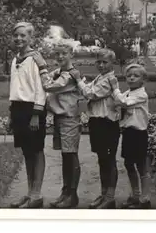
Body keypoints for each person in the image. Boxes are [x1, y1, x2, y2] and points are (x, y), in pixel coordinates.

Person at [70, 49, 120, 209]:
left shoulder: (109, 80)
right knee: (102, 159)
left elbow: (90, 94)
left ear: (113, 64)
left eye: (105, 62)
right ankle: (104, 193)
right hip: (98, 122)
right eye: (98, 61)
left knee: (109, 160)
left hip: (107, 123)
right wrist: (81, 85)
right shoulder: (101, 77)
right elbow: (87, 89)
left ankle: (110, 197)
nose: (101, 64)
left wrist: (78, 80)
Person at [36, 41, 83, 208]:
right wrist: (47, 74)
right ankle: (65, 193)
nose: (60, 57)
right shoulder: (60, 71)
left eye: (64, 53)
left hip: (69, 118)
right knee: (65, 156)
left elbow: (48, 85)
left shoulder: (69, 75)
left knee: (71, 155)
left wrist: (42, 68)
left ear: (71, 54)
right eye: (57, 54)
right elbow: (51, 77)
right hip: (60, 118)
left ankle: (72, 194)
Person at [7, 22, 48, 209]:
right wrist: (11, 114)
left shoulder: (36, 59)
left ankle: (37, 194)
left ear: (31, 38)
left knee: (36, 150)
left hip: (33, 109)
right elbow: (15, 88)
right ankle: (30, 192)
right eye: (16, 35)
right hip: (18, 108)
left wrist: (36, 115)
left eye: (23, 35)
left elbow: (42, 89)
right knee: (27, 151)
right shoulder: (15, 59)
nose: (19, 39)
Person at [109, 63, 152, 209]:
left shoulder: (141, 94)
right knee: (128, 164)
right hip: (128, 133)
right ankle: (135, 194)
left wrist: (115, 88)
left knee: (141, 165)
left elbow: (123, 103)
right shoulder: (128, 92)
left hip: (139, 133)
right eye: (129, 75)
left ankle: (145, 199)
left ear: (143, 80)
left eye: (136, 75)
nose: (132, 78)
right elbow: (119, 100)